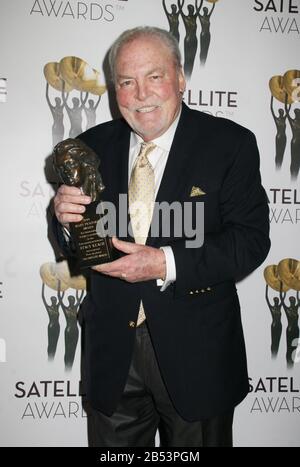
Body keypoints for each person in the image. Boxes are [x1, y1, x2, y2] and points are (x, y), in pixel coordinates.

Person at [53, 26, 270, 447]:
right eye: (127, 82)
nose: (141, 94)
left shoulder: (231, 145)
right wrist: (64, 220)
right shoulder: (88, 146)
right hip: (112, 351)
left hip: (198, 353)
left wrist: (163, 263)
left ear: (180, 77)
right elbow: (78, 241)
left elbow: (250, 241)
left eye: (154, 77)